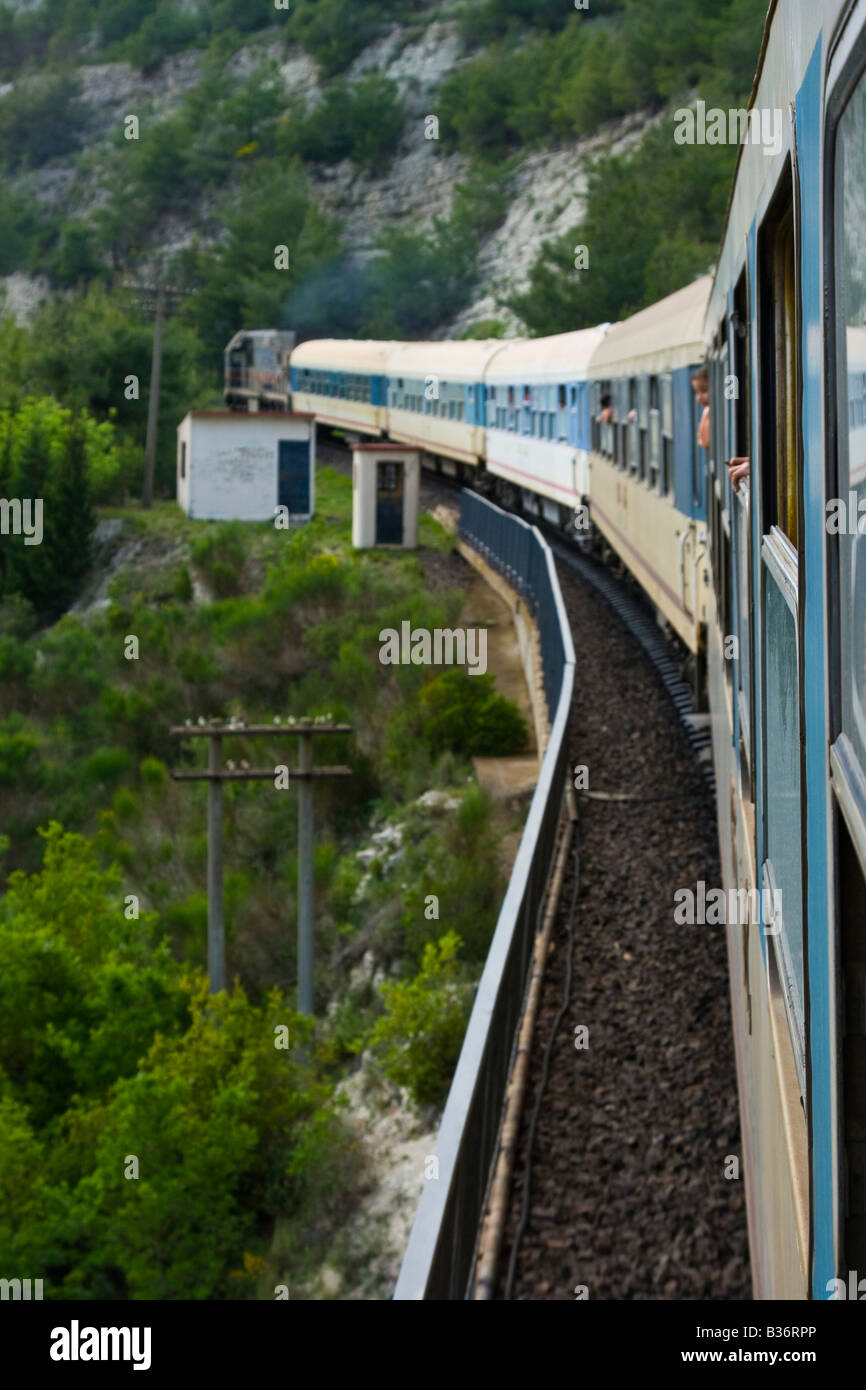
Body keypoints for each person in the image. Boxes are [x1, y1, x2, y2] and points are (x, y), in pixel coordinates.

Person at [691, 368, 710, 450]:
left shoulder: (708, 412)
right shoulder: (707, 411)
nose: (699, 397)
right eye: (697, 392)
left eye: (704, 390)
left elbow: (704, 441)